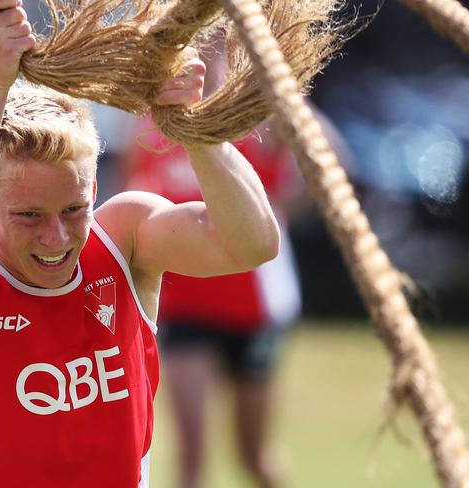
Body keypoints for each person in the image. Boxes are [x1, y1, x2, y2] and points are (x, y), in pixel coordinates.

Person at [0, 1, 280, 487]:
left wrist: (194, 131)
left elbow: (252, 243)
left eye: (73, 210)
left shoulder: (125, 240)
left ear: (93, 191)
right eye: (28, 216)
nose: (56, 237)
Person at [118, 42, 303, 488]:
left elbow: (308, 174)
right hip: (184, 305)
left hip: (252, 308)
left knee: (254, 457)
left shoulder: (256, 114)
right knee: (190, 457)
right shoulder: (149, 124)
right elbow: (134, 191)